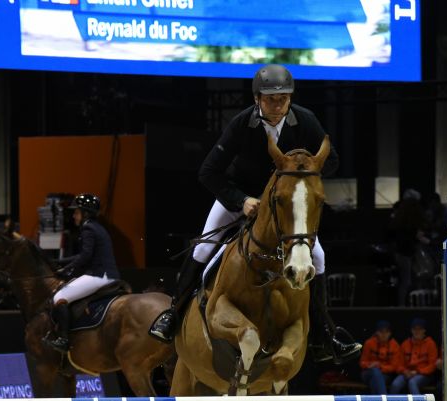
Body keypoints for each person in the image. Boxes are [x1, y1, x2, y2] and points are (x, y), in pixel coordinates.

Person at [148, 64, 361, 364]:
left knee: (319, 257)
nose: (277, 105)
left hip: (283, 206)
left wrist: (301, 174)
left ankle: (325, 333)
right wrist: (241, 201)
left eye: (283, 99)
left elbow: (333, 161)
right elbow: (209, 172)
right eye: (271, 99)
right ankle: (173, 313)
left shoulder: (306, 120)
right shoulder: (241, 124)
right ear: (257, 99)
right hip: (242, 197)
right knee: (205, 247)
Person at [43, 194, 120, 353]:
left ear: (85, 213)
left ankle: (63, 340)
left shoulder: (88, 228)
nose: (74, 215)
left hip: (99, 275)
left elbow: (85, 257)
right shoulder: (98, 227)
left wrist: (66, 270)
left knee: (59, 297)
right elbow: (83, 255)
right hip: (109, 273)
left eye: (76, 212)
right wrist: (62, 261)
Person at [390, 318, 440, 401]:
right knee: (395, 384)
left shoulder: (430, 343)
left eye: (420, 329)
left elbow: (432, 365)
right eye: (415, 329)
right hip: (407, 373)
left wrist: (417, 372)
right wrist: (404, 371)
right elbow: (398, 364)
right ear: (411, 330)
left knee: (413, 382)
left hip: (424, 374)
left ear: (424, 331)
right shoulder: (405, 344)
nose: (417, 332)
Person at [359, 320, 402, 401]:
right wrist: (371, 365)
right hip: (367, 374)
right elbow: (362, 363)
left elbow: (394, 367)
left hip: (384, 375)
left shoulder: (394, 345)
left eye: (386, 332)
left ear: (390, 333)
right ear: (377, 332)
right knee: (375, 372)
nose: (383, 334)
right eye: (381, 332)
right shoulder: (369, 343)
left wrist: (380, 366)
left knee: (376, 380)